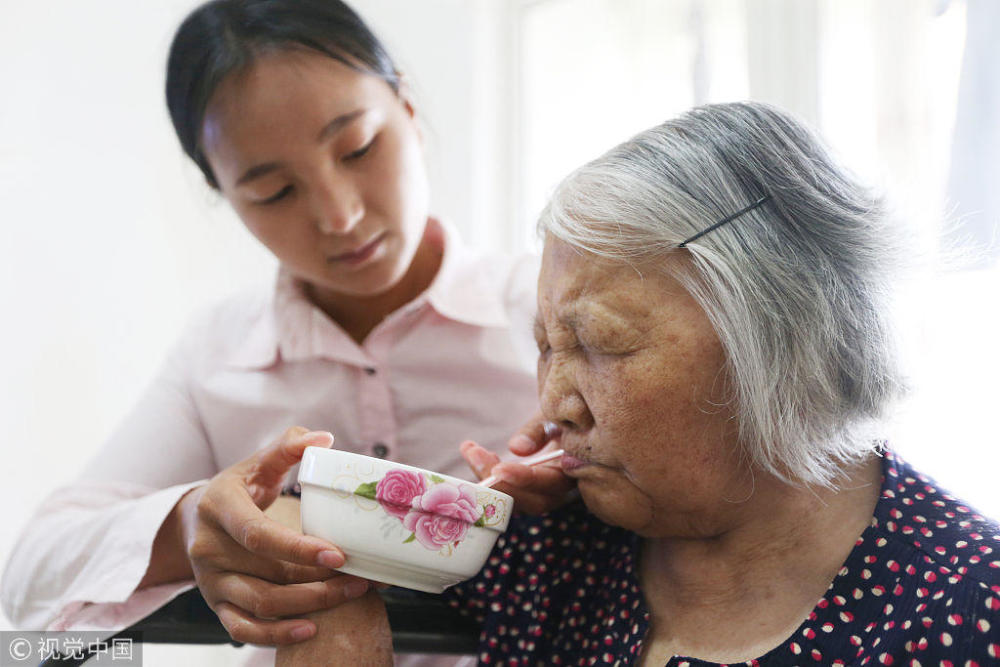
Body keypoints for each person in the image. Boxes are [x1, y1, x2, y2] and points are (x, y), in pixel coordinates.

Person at [284, 101, 1000, 665]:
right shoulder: (546, 553)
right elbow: (309, 543)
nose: (553, 405)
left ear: (783, 341)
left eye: (600, 343)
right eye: (545, 345)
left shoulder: (968, 605)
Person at [0, 0, 571, 663]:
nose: (340, 214)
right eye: (274, 191)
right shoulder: (218, 353)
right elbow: (30, 572)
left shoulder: (553, 309)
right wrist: (195, 524)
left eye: (357, 147)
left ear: (407, 109)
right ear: (222, 193)